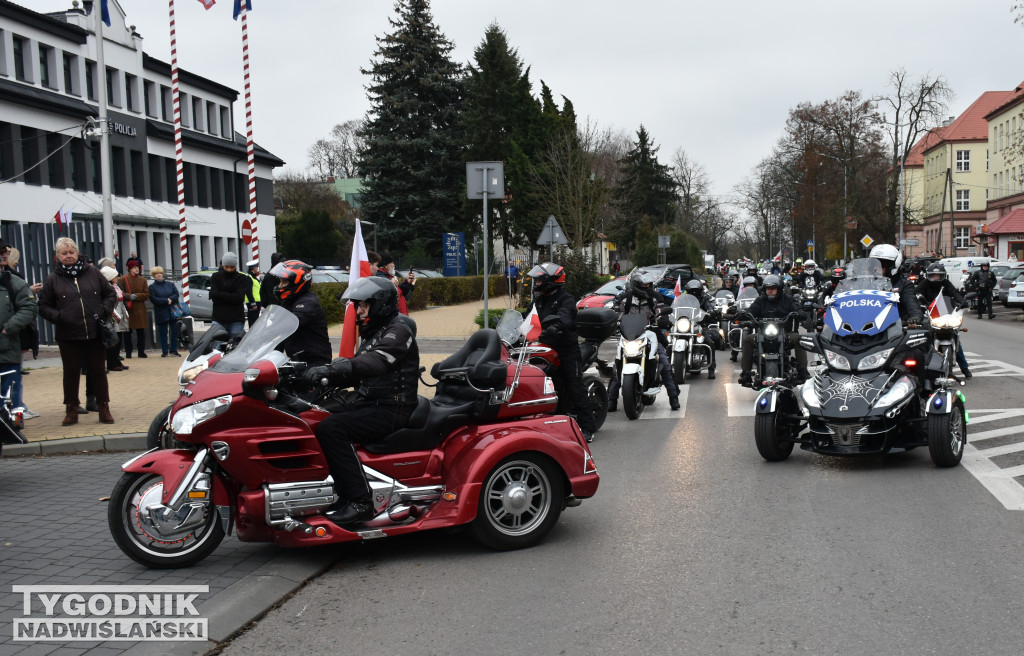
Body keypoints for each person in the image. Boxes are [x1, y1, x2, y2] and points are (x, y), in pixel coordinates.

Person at [302, 276, 420, 525]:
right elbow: (359, 371)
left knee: (332, 429)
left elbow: (376, 362)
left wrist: (337, 368)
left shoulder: (400, 329)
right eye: (358, 305)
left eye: (364, 304)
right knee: (311, 415)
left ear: (381, 304)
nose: (360, 309)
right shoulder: (376, 329)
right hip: (370, 401)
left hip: (392, 407)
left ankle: (359, 502)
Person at [37, 237, 116, 425]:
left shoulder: (93, 273)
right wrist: (59, 316)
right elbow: (43, 306)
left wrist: (103, 310)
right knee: (71, 372)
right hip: (68, 335)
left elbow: (110, 294)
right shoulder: (53, 278)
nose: (68, 256)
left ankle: (103, 407)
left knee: (98, 371)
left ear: (77, 253)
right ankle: (71, 408)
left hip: (95, 332)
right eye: (64, 253)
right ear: (58, 256)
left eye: (71, 252)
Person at [525, 262, 598, 440]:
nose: (537, 284)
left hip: (565, 348)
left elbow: (565, 316)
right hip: (543, 346)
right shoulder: (539, 299)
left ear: (552, 280)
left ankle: (588, 427)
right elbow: (527, 316)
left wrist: (556, 326)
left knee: (574, 384)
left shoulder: (566, 299)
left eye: (540, 280)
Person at [607, 269, 681, 411]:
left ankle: (673, 397)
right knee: (618, 363)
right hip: (629, 335)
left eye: (649, 285)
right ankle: (611, 399)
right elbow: (617, 312)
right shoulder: (626, 298)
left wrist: (662, 319)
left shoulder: (655, 297)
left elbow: (662, 310)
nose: (647, 287)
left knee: (664, 363)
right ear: (636, 284)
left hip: (650, 333)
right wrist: (613, 320)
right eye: (644, 285)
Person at [738, 274, 808, 387]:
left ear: (779, 289)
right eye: (767, 288)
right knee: (747, 340)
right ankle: (745, 373)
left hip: (785, 334)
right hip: (763, 335)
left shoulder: (788, 300)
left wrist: (800, 313)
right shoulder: (760, 300)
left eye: (773, 288)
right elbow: (751, 310)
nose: (770, 291)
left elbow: (797, 309)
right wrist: (742, 314)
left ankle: (803, 371)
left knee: (799, 338)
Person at [0, 241, 38, 420]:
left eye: (4, 252)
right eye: (1, 252)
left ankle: (13, 426)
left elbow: (30, 307)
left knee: (11, 392)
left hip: (8, 349)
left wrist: (9, 327)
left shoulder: (13, 282)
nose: (4, 255)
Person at [268, 260, 332, 365]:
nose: (280, 286)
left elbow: (289, 324)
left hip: (314, 363)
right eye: (280, 281)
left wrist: (270, 330)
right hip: (296, 361)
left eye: (284, 282)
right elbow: (279, 336)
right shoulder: (288, 301)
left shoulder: (308, 302)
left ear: (297, 282)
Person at [916, 263, 971, 379]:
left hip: (945, 313)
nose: (936, 278)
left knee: (955, 335)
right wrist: (919, 298)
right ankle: (921, 366)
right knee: (923, 338)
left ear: (943, 276)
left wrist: (962, 301)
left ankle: (964, 367)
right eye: (933, 275)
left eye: (938, 276)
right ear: (928, 275)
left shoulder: (946, 283)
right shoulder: (924, 283)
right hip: (929, 313)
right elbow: (917, 292)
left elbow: (954, 293)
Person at [868, 244, 924, 325]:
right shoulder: (866, 283)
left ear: (892, 266)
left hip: (893, 328)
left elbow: (911, 304)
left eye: (882, 264)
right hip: (866, 326)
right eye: (874, 264)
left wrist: (915, 317)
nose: (876, 268)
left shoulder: (904, 285)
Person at [682, 278, 719, 379]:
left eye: (696, 291)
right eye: (692, 291)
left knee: (709, 343)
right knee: (668, 340)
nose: (694, 293)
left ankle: (711, 369)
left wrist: (710, 311)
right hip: (684, 324)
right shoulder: (683, 298)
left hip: (698, 325)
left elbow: (708, 307)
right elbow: (676, 306)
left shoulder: (704, 298)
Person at [209, 252, 249, 340]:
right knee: (216, 345)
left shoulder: (242, 278)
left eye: (232, 267)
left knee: (235, 346)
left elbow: (239, 298)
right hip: (219, 318)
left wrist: (221, 294)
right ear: (223, 266)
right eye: (226, 267)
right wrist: (231, 296)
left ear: (235, 266)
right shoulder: (216, 277)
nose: (229, 270)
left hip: (236, 319)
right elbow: (213, 296)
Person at [118, 257, 150, 358]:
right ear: (130, 268)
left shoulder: (143, 280)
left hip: (140, 308)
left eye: (138, 267)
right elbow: (120, 292)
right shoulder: (123, 279)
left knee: (141, 332)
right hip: (129, 309)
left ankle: (141, 351)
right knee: (128, 332)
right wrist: (128, 296)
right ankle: (128, 352)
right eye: (135, 267)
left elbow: (147, 294)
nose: (137, 269)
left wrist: (137, 296)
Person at [100, 266, 130, 372]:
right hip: (113, 316)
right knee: (113, 341)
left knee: (118, 340)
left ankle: (116, 360)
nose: (117, 277)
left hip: (121, 315)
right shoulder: (107, 288)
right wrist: (116, 316)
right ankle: (111, 363)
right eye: (115, 276)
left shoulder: (116, 286)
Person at [148, 266, 180, 357]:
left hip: (173, 310)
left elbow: (176, 294)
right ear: (154, 275)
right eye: (156, 274)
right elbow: (154, 299)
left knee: (174, 331)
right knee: (163, 332)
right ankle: (165, 351)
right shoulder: (152, 287)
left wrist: (170, 299)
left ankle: (173, 349)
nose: (159, 275)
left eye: (160, 273)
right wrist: (166, 301)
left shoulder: (170, 284)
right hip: (161, 311)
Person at [244, 260, 262, 327]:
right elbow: (248, 291)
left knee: (255, 322)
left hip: (257, 303)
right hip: (252, 303)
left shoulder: (254, 277)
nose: (257, 268)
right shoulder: (249, 277)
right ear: (253, 268)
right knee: (253, 323)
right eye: (257, 267)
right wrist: (253, 304)